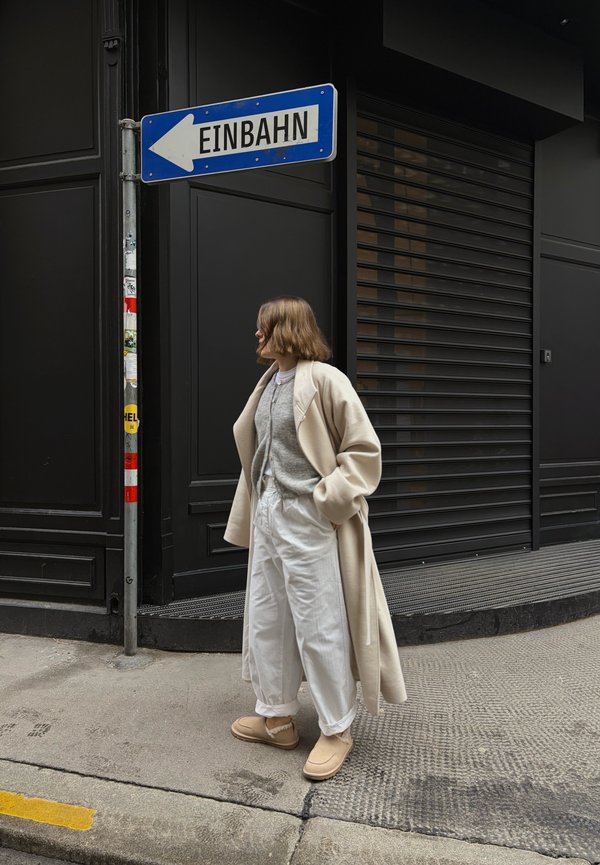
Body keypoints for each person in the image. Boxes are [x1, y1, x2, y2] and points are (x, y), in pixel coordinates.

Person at [224, 296, 407, 781]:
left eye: (264, 328)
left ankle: (336, 727)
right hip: (269, 514)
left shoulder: (326, 380)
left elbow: (365, 450)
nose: (257, 336)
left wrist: (328, 500)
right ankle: (277, 715)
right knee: (268, 616)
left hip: (307, 515)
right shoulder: (268, 384)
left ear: (286, 329)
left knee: (317, 620)